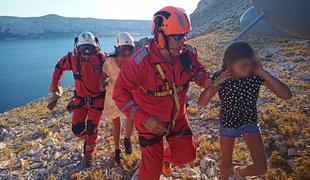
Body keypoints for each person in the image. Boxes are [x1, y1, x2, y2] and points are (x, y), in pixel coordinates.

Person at [113, 6, 217, 180]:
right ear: (160, 36)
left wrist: (205, 80)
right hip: (149, 124)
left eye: (184, 35)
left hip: (178, 119)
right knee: (151, 174)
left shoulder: (188, 53)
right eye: (177, 36)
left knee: (188, 155)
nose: (182, 41)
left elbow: (197, 70)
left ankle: (163, 159)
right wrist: (144, 119)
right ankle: (152, 164)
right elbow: (119, 93)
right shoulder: (140, 62)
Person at [197, 42, 292, 180]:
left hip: (249, 122)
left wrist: (263, 73)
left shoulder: (255, 76)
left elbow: (287, 95)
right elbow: (201, 103)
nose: (248, 69)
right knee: (225, 164)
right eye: (243, 66)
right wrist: (217, 83)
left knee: (261, 168)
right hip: (228, 123)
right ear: (229, 64)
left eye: (250, 65)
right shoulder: (222, 77)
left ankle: (239, 172)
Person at [49, 31, 107, 167]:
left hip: (97, 100)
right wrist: (55, 86)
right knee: (76, 130)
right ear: (78, 48)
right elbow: (59, 67)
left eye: (90, 50)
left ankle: (88, 154)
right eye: (83, 51)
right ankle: (91, 138)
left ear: (96, 47)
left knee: (91, 128)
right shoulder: (72, 58)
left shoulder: (101, 58)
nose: (87, 54)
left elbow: (114, 71)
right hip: (80, 100)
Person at [100, 32, 135, 164]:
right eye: (123, 51)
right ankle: (117, 149)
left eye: (129, 51)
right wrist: (103, 84)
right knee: (116, 122)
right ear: (117, 49)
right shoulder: (109, 62)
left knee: (131, 116)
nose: (126, 54)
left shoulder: (132, 61)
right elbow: (102, 79)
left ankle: (127, 139)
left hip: (128, 93)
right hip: (113, 96)